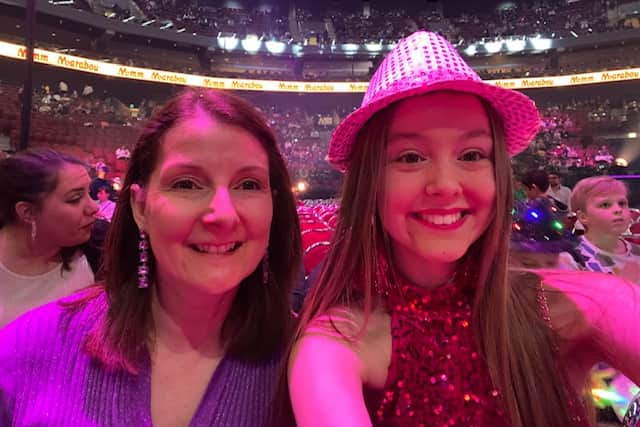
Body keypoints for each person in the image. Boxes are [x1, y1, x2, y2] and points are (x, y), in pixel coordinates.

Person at [286, 31, 640, 427]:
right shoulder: (333, 347)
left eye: (472, 155)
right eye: (410, 157)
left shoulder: (586, 304)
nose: (446, 185)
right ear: (370, 182)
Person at [0, 89, 302, 426]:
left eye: (248, 184)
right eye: (187, 184)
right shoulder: (27, 346)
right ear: (140, 207)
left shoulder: (312, 361)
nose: (224, 214)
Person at [0, 149, 97, 328]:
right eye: (75, 199)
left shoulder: (100, 252)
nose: (94, 207)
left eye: (89, 193)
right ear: (27, 212)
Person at [560, 176, 640, 283]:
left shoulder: (637, 252)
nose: (618, 210)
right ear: (583, 217)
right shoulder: (570, 256)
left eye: (622, 203)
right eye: (605, 204)